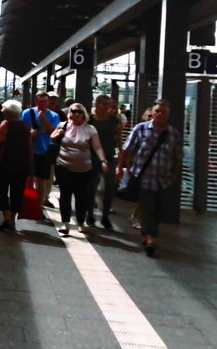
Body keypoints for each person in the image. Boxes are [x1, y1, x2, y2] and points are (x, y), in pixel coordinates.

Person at [117, 99, 184, 257]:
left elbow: (177, 156)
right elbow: (127, 149)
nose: (160, 114)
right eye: (158, 111)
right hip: (144, 177)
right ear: (152, 113)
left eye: (164, 112)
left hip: (162, 179)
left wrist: (173, 174)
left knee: (158, 208)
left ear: (168, 115)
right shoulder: (140, 129)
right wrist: (121, 167)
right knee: (147, 207)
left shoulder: (172, 133)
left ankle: (151, 233)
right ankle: (149, 238)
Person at [50, 102, 110, 235]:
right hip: (63, 166)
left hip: (83, 169)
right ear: (69, 113)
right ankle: (65, 223)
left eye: (79, 112)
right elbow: (52, 138)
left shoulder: (90, 129)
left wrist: (103, 161)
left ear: (84, 114)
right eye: (73, 111)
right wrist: (58, 133)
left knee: (81, 196)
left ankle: (81, 222)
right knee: (65, 195)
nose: (76, 114)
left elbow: (98, 147)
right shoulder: (62, 125)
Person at [0, 100, 33, 233]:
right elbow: (29, 147)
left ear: (8, 112)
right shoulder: (25, 126)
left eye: (4, 110)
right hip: (22, 164)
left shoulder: (6, 124)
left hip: (7, 162)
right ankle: (12, 220)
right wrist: (30, 168)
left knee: (1, 189)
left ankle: (6, 218)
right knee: (17, 192)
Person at [87, 94, 124, 229]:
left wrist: (121, 158)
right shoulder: (89, 120)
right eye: (104, 104)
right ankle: (90, 214)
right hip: (91, 157)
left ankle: (105, 216)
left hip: (109, 157)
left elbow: (118, 140)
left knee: (110, 187)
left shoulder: (114, 122)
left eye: (109, 104)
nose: (107, 107)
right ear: (97, 104)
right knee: (91, 187)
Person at [21, 91, 62, 209]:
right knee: (28, 178)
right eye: (40, 101)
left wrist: (44, 120)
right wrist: (29, 133)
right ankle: (27, 203)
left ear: (48, 102)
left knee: (41, 181)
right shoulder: (27, 113)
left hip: (45, 152)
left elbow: (55, 132)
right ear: (36, 101)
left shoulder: (54, 116)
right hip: (30, 150)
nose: (43, 103)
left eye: (45, 101)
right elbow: (22, 129)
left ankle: (38, 206)